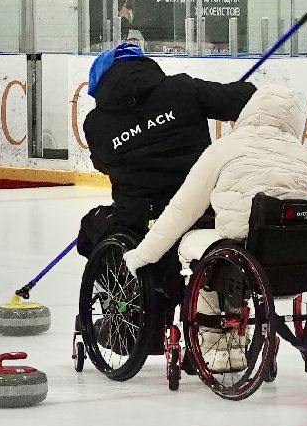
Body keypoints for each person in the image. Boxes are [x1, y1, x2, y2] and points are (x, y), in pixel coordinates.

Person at [122, 85, 307, 372]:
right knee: (236, 251)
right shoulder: (303, 156)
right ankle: (238, 342)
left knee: (197, 244)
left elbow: (183, 209)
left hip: (245, 254)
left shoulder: (225, 148)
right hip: (301, 262)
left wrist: (144, 254)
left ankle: (216, 342)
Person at [82, 43, 257, 317]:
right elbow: (245, 98)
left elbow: (102, 164)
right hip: (199, 210)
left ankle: (131, 304)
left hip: (137, 219)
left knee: (90, 229)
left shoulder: (95, 123)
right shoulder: (182, 90)